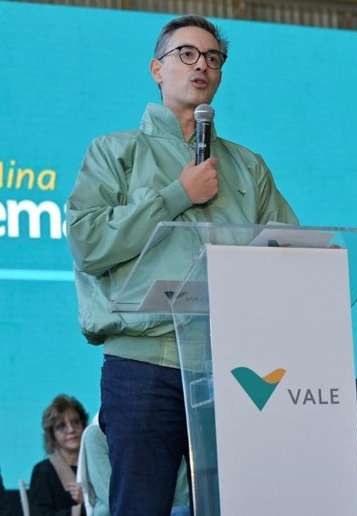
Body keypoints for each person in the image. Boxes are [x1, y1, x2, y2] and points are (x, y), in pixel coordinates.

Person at [65, 15, 297, 516]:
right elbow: (87, 241)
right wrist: (177, 195)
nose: (202, 66)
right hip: (144, 363)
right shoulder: (115, 152)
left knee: (238, 505)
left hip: (231, 365)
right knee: (142, 506)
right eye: (187, 54)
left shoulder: (247, 166)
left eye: (213, 58)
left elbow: (289, 252)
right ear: (157, 69)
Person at [29, 395, 88, 516]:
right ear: (52, 435)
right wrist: (85, 507)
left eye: (75, 422)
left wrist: (87, 500)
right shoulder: (43, 471)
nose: (71, 430)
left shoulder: (97, 465)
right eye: (61, 426)